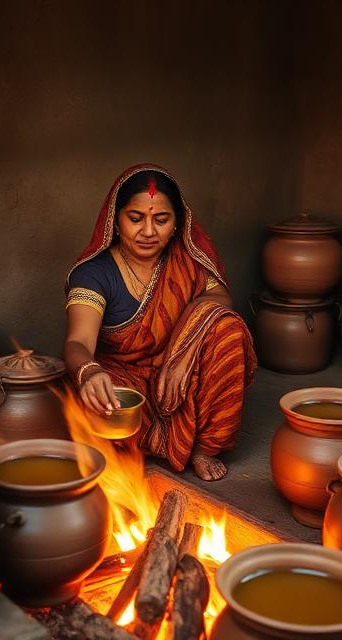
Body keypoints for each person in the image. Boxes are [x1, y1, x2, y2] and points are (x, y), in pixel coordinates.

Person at [63, 163, 257, 481]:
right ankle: (154, 440)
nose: (149, 231)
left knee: (227, 328)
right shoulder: (95, 273)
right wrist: (89, 372)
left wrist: (184, 350)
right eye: (135, 218)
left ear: (178, 224)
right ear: (115, 220)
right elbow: (78, 343)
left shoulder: (186, 260)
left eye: (161, 220)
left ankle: (205, 447)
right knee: (99, 412)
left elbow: (220, 299)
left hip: (181, 379)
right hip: (126, 380)